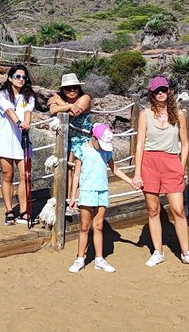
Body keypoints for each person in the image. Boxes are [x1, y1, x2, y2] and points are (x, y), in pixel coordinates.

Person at [133, 75, 189, 268]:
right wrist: (137, 172)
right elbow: (139, 145)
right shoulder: (144, 114)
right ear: (151, 93)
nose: (161, 93)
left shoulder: (179, 114)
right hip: (149, 162)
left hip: (171, 161)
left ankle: (186, 252)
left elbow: (186, 143)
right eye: (157, 91)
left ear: (168, 91)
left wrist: (180, 167)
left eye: (163, 89)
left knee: (178, 210)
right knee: (153, 209)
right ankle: (158, 251)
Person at [68, 123, 136, 274]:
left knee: (98, 225)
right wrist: (73, 195)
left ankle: (99, 259)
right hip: (87, 192)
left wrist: (130, 181)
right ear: (94, 138)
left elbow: (115, 169)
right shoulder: (82, 150)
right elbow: (76, 174)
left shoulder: (106, 152)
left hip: (102, 191)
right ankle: (80, 258)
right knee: (85, 226)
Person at [0, 64, 35, 224]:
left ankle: (24, 211)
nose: (21, 80)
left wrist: (26, 123)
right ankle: (9, 210)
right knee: (7, 175)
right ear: (10, 78)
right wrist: (19, 123)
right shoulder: (2, 94)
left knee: (25, 175)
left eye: (24, 77)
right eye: (18, 76)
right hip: (6, 139)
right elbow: (9, 111)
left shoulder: (28, 96)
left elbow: (28, 112)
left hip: (22, 139)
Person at [48, 72, 92, 212]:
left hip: (83, 142)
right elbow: (52, 110)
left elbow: (75, 112)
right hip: (67, 141)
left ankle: (76, 201)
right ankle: (68, 201)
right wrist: (65, 105)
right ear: (63, 90)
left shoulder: (85, 98)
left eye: (75, 87)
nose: (72, 91)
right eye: (68, 88)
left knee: (78, 172)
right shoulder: (65, 100)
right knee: (67, 170)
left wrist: (60, 102)